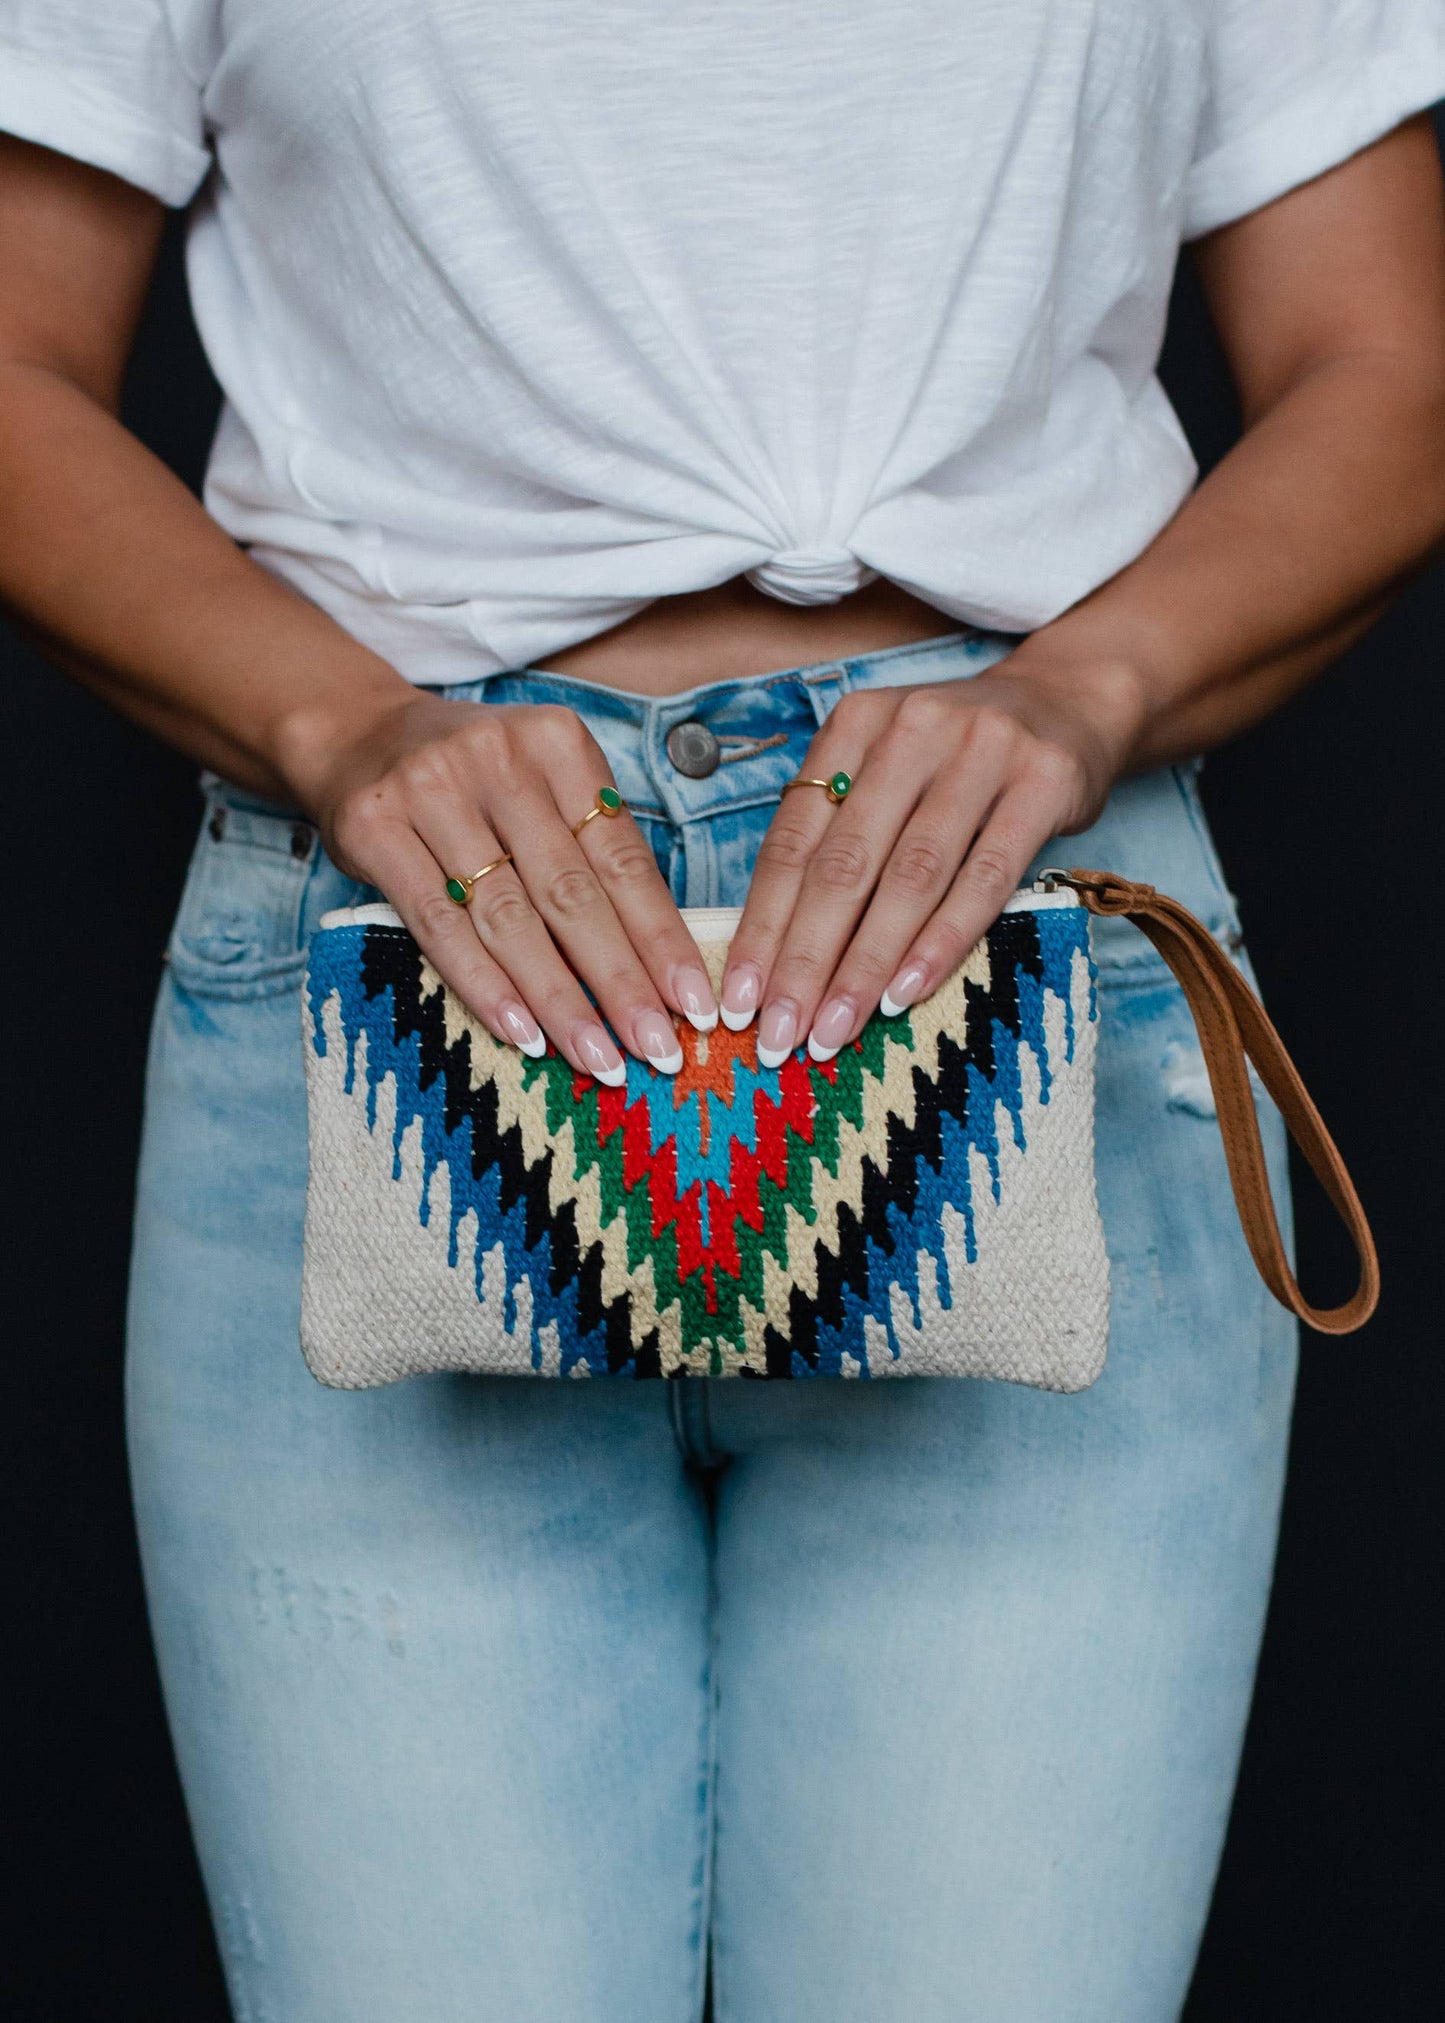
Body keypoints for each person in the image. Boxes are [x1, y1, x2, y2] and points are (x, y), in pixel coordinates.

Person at [2, 5, 1443, 2017]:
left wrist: (1084, 693)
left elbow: (1388, 365)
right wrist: (344, 729)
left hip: (1008, 962)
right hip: (398, 988)